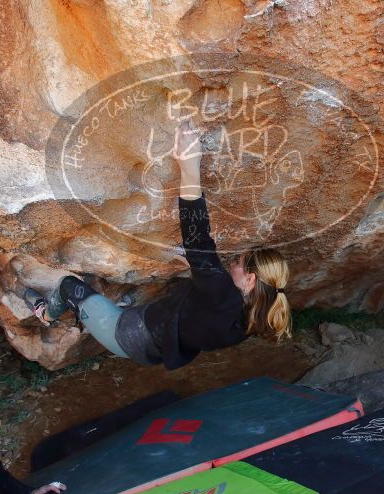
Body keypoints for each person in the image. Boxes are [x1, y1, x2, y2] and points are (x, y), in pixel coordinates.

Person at [23, 118, 292, 370]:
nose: (231, 263)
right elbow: (209, 302)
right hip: (154, 349)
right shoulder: (250, 320)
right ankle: (88, 314)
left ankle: (47, 313)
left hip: (122, 333)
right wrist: (200, 271)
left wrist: (190, 167)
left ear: (251, 280)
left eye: (238, 263)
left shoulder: (222, 295)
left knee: (69, 285)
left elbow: (197, 237)